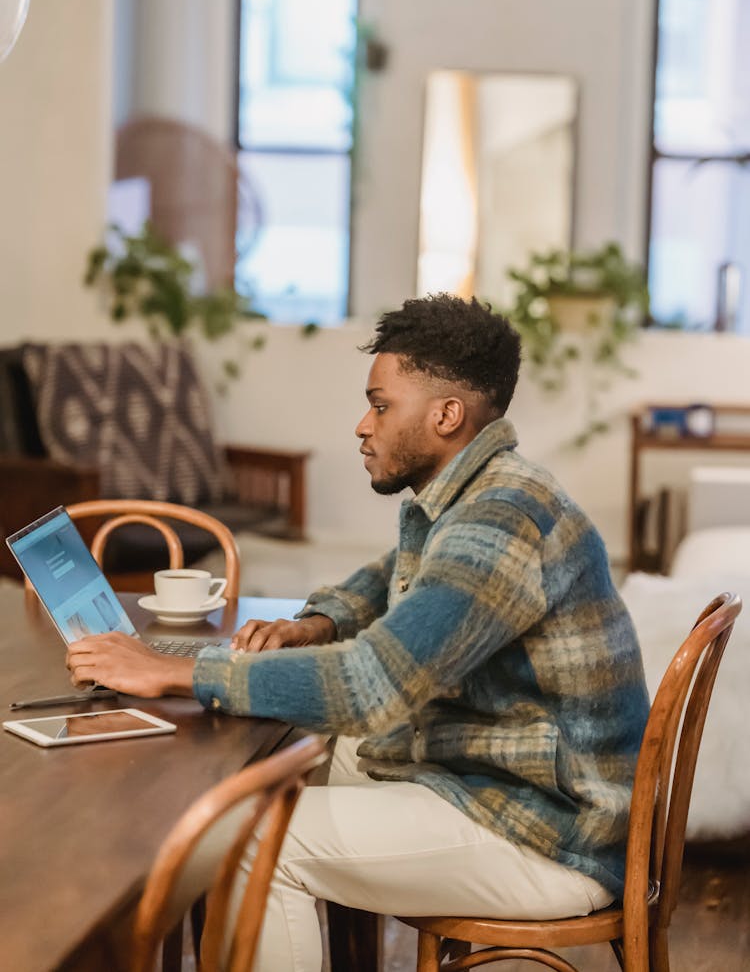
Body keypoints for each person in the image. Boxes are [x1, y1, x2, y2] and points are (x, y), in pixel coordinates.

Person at [67, 294, 650, 972]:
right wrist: (316, 622)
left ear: (445, 414)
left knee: (255, 840)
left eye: (380, 404)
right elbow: (390, 577)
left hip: (550, 829)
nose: (362, 425)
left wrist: (175, 670)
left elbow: (372, 685)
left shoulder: (502, 517)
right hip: (498, 771)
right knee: (264, 769)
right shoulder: (477, 491)